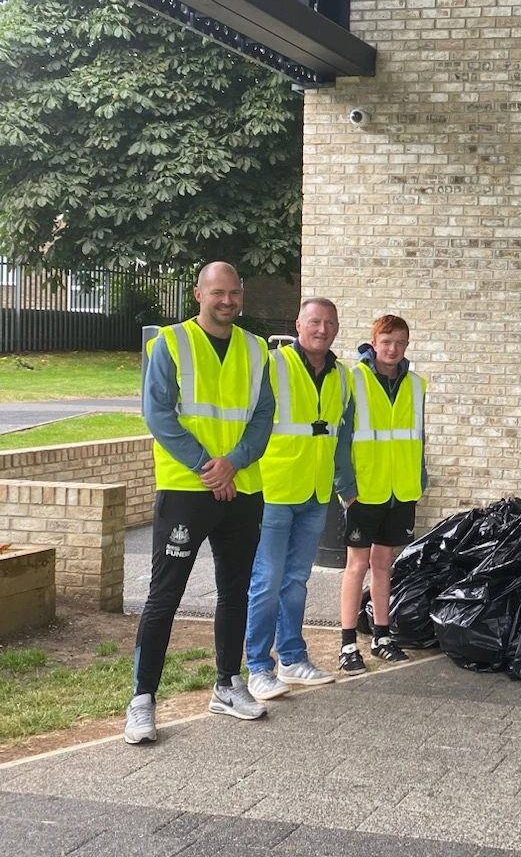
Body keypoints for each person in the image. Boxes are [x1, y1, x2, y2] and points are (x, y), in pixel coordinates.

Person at [125, 262, 274, 744]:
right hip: (188, 489)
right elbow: (159, 415)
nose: (227, 301)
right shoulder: (168, 343)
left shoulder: (256, 350)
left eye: (234, 293)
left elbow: (263, 416)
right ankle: (142, 699)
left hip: (242, 488)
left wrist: (233, 463)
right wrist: (209, 467)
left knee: (234, 591)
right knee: (164, 595)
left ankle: (228, 684)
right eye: (218, 293)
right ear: (198, 294)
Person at [243, 298, 353, 701]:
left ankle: (291, 657)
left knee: (295, 581)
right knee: (267, 580)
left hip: (314, 492)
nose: (321, 329)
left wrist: (344, 487)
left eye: (329, 323)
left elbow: (339, 436)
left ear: (337, 328)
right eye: (314, 322)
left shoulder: (342, 375)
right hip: (275, 488)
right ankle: (258, 666)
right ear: (298, 325)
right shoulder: (275, 365)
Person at [337, 315, 427, 674]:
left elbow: (418, 437)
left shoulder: (415, 385)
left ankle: (381, 636)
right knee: (356, 565)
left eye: (400, 342)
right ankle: (347, 644)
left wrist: (418, 479)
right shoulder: (353, 380)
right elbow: (341, 438)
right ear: (373, 342)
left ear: (407, 345)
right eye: (386, 341)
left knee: (384, 564)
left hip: (399, 491)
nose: (393, 349)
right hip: (364, 490)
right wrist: (346, 488)